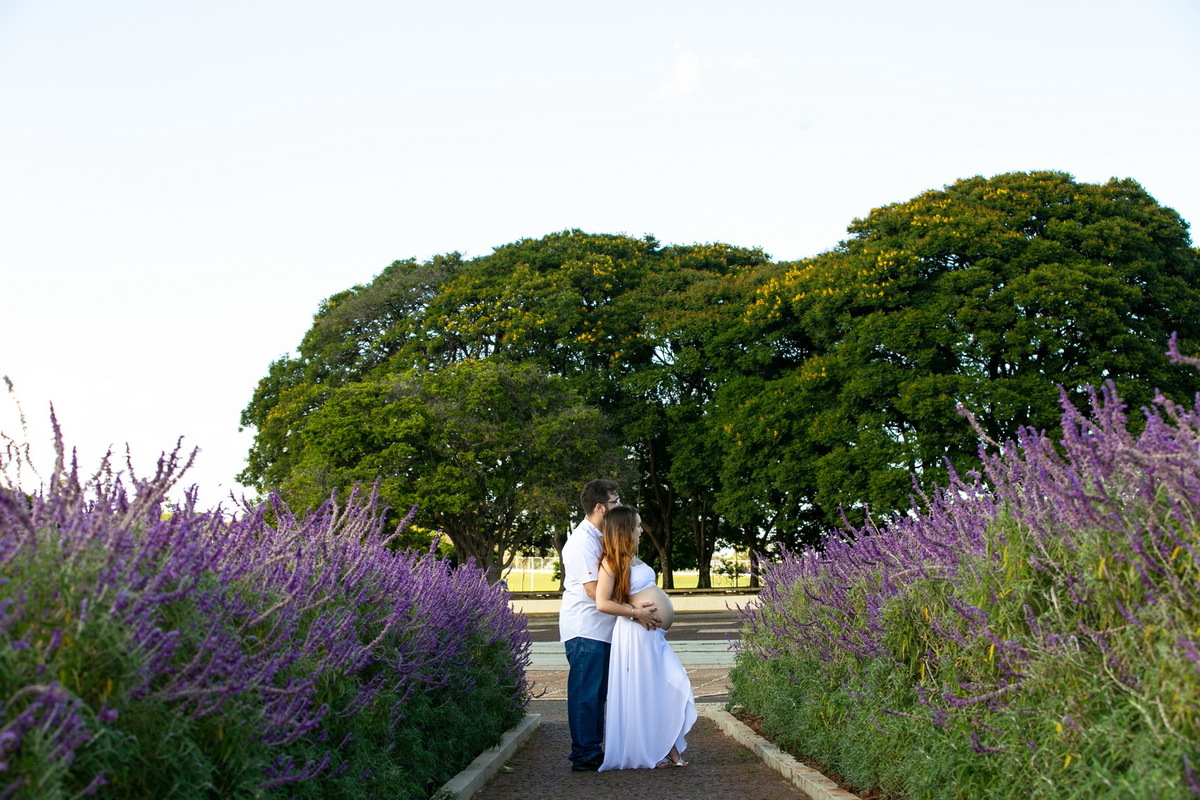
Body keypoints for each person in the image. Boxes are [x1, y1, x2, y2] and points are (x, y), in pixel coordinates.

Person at [559, 480, 660, 772]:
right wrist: (634, 610)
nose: (620, 506)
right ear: (600, 507)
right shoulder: (581, 542)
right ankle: (584, 755)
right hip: (586, 628)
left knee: (599, 693)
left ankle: (594, 749)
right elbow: (594, 591)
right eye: (616, 502)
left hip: (605, 629)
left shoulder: (603, 535)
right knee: (586, 694)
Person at [594, 505, 697, 770]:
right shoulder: (610, 562)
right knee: (650, 689)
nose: (641, 530)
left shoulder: (633, 558)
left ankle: (665, 748)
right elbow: (602, 602)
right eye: (637, 526)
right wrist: (635, 612)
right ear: (624, 530)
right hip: (637, 633)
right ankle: (661, 751)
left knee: (665, 685)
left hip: (651, 634)